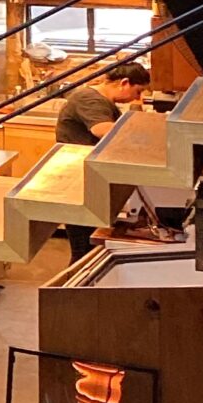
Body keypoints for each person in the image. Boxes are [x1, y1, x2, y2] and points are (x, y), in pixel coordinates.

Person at [57, 56, 149, 260]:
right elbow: (101, 129)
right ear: (124, 83)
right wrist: (143, 135)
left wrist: (137, 110)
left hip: (88, 179)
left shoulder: (104, 101)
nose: (137, 97)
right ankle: (72, 291)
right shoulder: (90, 99)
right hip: (78, 181)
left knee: (87, 247)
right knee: (82, 249)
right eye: (138, 91)